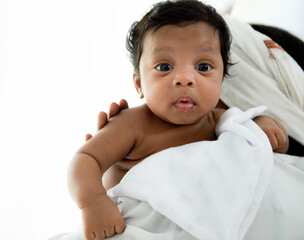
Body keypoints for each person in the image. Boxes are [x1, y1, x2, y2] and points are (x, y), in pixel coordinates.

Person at [67, 1, 289, 240]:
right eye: (165, 66)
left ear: (221, 81)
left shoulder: (224, 122)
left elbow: (268, 160)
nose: (185, 78)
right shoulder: (133, 124)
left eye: (203, 67)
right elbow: (85, 158)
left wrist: (263, 129)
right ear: (139, 84)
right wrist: (93, 202)